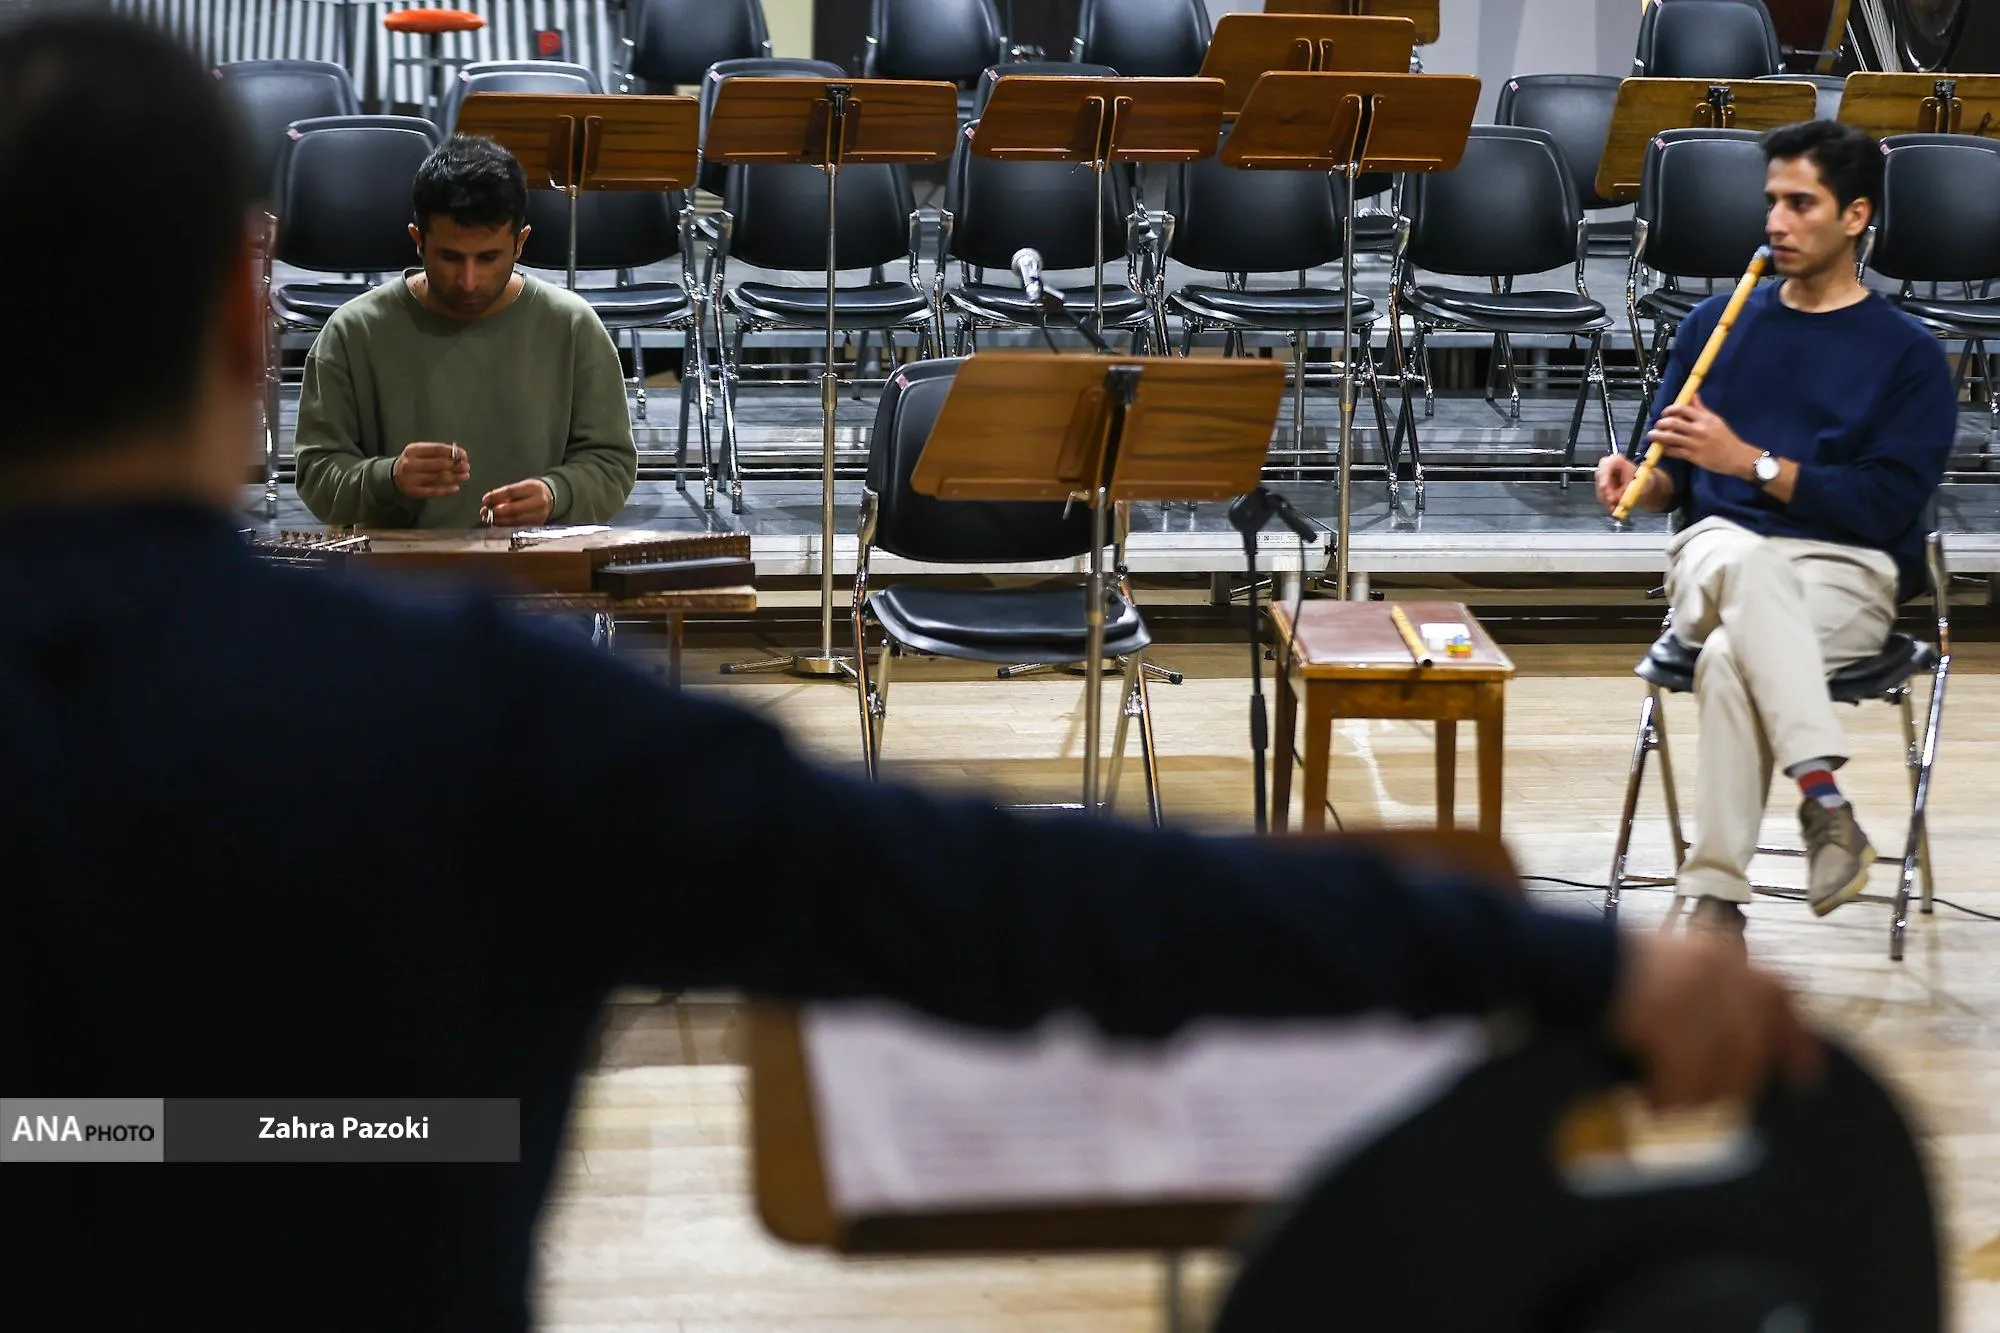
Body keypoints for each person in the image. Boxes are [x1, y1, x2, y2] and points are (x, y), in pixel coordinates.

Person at [3, 15, 1814, 1330]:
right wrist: (1566, 962)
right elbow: (1025, 902)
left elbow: (108, 1139)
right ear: (248, 316)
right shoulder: (486, 725)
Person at [1596, 120, 1956, 941]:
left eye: (1802, 204)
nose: (1777, 222)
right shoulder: (1714, 324)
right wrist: (1640, 483)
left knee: (1729, 658)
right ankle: (1823, 798)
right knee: (1741, 557)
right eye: (1772, 203)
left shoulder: (1907, 355)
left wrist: (1749, 461)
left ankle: (1716, 904)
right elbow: (1670, 476)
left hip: (1845, 570)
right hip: (1714, 551)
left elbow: (1880, 508)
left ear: (1856, 216)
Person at [292, 134, 637, 528]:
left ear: (520, 243)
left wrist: (555, 494)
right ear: (418, 241)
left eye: (488, 258)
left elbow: (612, 464)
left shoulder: (573, 327)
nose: (469, 281)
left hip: (535, 557)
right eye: (450, 257)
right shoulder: (353, 333)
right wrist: (389, 478)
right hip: (398, 561)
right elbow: (316, 475)